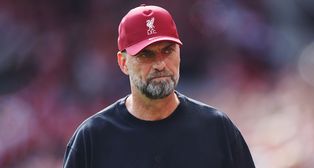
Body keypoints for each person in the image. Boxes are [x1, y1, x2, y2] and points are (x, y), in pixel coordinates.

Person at [63, 4, 255, 168]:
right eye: (146, 54)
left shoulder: (217, 129)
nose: (160, 64)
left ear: (179, 53)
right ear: (123, 63)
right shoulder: (92, 139)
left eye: (168, 50)